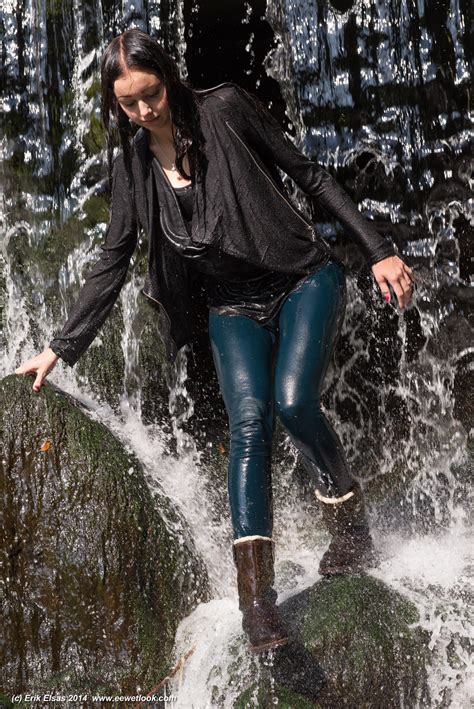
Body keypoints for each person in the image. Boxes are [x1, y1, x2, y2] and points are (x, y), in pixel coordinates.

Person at [15, 28, 414, 654]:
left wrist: (380, 251)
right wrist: (60, 348)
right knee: (248, 422)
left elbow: (307, 173)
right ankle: (257, 604)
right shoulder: (132, 167)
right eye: (130, 104)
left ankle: (352, 529)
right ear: (116, 106)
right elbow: (112, 260)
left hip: (302, 277)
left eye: (151, 94)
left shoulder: (224, 108)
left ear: (167, 79)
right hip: (232, 306)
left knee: (293, 403)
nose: (146, 111)